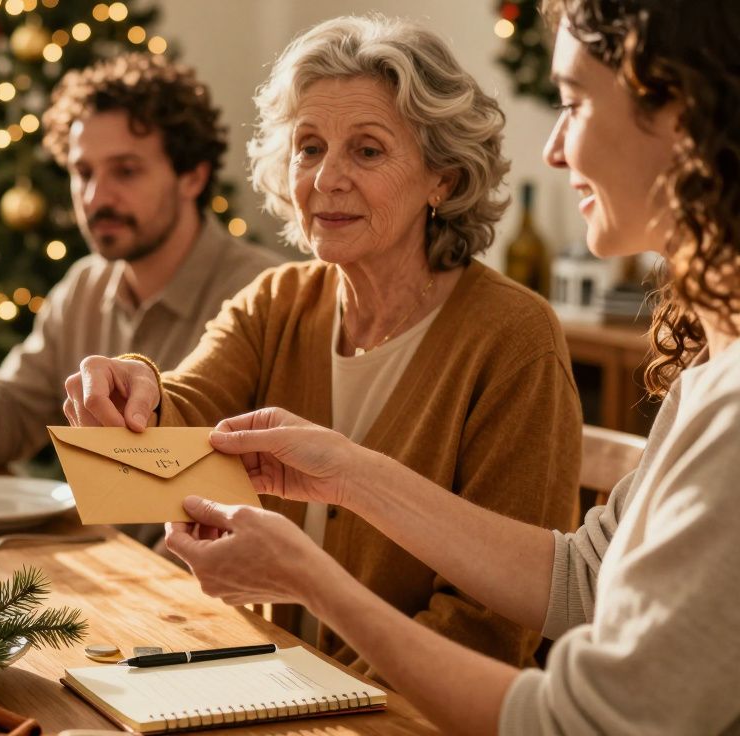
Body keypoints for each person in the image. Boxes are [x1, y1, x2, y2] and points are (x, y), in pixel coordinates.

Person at [165, 1, 740, 733]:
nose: (555, 149)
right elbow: (581, 578)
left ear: (682, 113)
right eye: (309, 147)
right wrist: (347, 472)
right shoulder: (707, 380)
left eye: (571, 103)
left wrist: (313, 582)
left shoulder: (721, 402)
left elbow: (579, 722)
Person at [63, 15, 580, 678]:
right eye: (309, 148)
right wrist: (130, 387)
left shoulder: (513, 338)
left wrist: (336, 703)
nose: (325, 178)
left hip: (401, 716)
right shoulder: (277, 300)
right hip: (268, 675)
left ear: (442, 178)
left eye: (366, 151)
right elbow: (184, 415)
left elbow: (488, 627)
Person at [0, 54, 284, 474]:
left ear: (193, 177)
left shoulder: (265, 295)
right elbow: (5, 424)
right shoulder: (85, 286)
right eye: (83, 172)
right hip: (98, 539)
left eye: (126, 171)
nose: (95, 197)